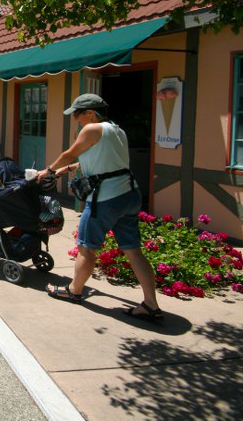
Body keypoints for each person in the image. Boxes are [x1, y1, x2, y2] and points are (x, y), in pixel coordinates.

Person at [37, 93, 163, 322]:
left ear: (90, 113)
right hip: (129, 194)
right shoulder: (117, 130)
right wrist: (71, 168)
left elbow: (70, 153)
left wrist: (50, 170)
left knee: (86, 247)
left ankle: (74, 290)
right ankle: (151, 305)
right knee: (133, 250)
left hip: (106, 198)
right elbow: (102, 159)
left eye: (77, 114)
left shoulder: (91, 129)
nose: (76, 119)